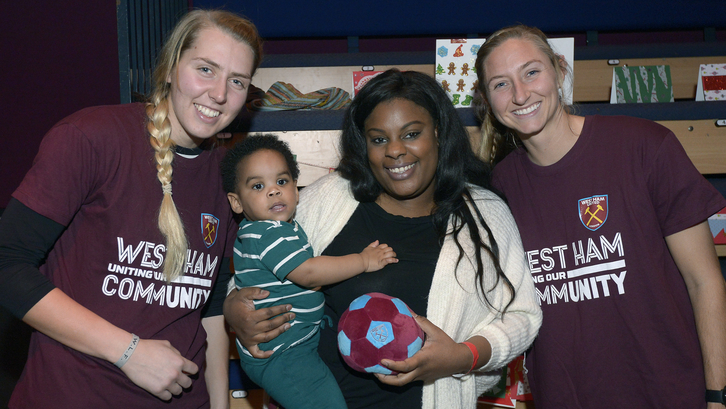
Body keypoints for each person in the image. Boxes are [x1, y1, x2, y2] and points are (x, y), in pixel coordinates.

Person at [224, 69, 543, 409]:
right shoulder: (328, 199)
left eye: (411, 133)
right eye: (378, 139)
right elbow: (261, 263)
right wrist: (234, 308)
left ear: (437, 131)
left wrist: (463, 356)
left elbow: (522, 315)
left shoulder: (485, 214)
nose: (394, 151)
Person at [0, 9, 263, 408]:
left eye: (237, 81)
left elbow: (209, 306)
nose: (220, 94)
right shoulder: (91, 138)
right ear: (172, 68)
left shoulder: (227, 175)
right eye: (206, 69)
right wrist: (129, 351)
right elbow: (7, 264)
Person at [475, 24, 726, 409]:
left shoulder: (645, 146)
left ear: (559, 71)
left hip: (671, 393)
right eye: (501, 84)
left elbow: (704, 281)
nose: (521, 94)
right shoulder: (499, 189)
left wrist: (717, 395)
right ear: (487, 99)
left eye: (531, 72)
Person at [220, 134, 398, 409]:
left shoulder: (283, 228)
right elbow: (309, 273)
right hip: (283, 353)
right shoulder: (265, 234)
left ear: (296, 188)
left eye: (282, 181)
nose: (273, 191)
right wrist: (363, 261)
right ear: (237, 203)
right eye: (258, 186)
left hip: (295, 346)